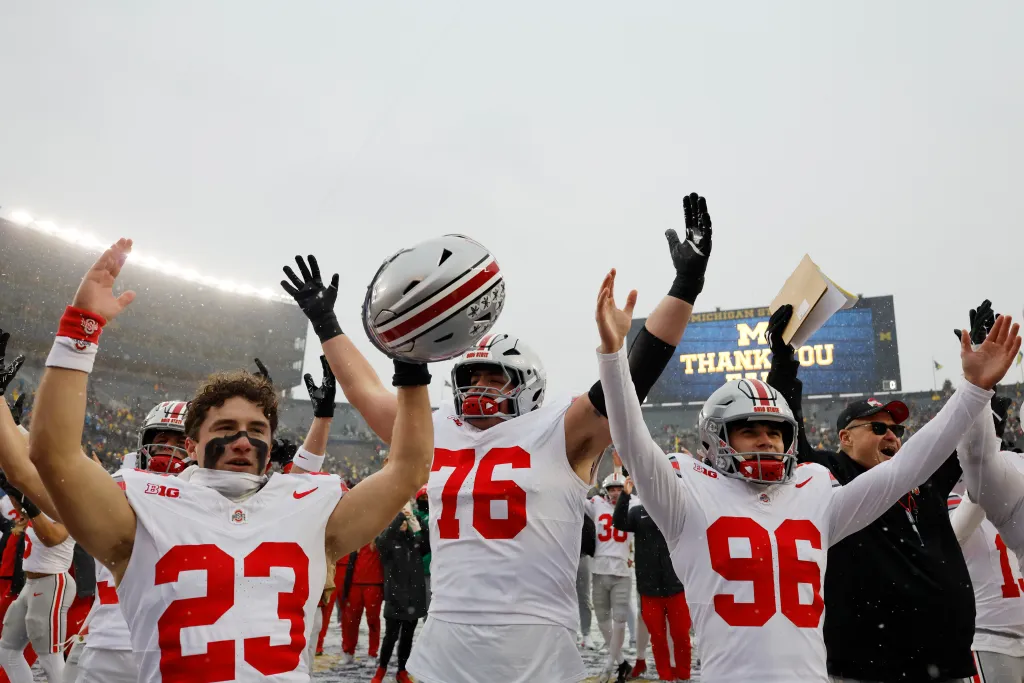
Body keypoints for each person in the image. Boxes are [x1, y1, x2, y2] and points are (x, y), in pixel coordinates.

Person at [281, 193, 715, 683]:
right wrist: (325, 322)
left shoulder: (559, 427)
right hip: (445, 641)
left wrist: (686, 283)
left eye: (495, 377)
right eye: (471, 378)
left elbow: (633, 376)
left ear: (527, 383)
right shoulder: (438, 429)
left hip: (536, 647)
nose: (480, 388)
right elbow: (366, 393)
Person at [27, 238, 435, 683]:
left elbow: (407, 470)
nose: (243, 441)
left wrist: (410, 367)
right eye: (225, 430)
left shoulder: (309, 505)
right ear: (192, 445)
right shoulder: (145, 506)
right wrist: (80, 330)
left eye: (257, 431)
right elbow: (54, 455)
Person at [593, 268, 1021, 683]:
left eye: (775, 432)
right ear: (715, 438)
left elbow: (907, 468)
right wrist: (613, 357)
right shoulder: (688, 497)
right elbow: (631, 439)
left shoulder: (814, 492)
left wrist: (974, 389)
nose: (766, 441)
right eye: (749, 430)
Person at [765, 300, 992, 683]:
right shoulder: (827, 475)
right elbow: (790, 441)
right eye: (878, 428)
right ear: (845, 437)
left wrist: (985, 383)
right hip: (870, 668)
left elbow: (965, 444)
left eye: (897, 430)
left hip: (946, 664)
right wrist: (783, 363)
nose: (892, 435)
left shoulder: (921, 479)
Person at [613, 468, 692, 682]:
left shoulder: (678, 509)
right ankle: (665, 676)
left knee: (681, 636)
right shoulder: (638, 511)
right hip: (649, 588)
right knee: (657, 638)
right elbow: (619, 523)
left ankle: (683, 675)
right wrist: (625, 495)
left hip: (676, 584)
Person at [585, 471, 633, 682]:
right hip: (599, 570)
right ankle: (621, 662)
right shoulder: (596, 503)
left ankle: (608, 667)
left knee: (619, 621)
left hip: (622, 571)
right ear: (605, 491)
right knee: (603, 621)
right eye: (612, 489)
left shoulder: (633, 504)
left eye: (619, 489)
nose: (615, 493)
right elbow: (575, 496)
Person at [371, 503, 428, 683]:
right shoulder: (387, 544)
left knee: (407, 639)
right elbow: (383, 540)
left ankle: (402, 671)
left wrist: (415, 522)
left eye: (405, 522)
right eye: (400, 521)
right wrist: (400, 516)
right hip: (395, 599)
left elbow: (428, 540)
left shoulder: (415, 543)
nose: (403, 524)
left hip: (413, 599)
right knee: (390, 637)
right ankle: (382, 668)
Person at [577, 509, 597, 650]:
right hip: (560, 556)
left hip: (581, 555)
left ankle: (586, 633)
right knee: (561, 596)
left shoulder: (588, 508)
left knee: (583, 597)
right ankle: (568, 630)